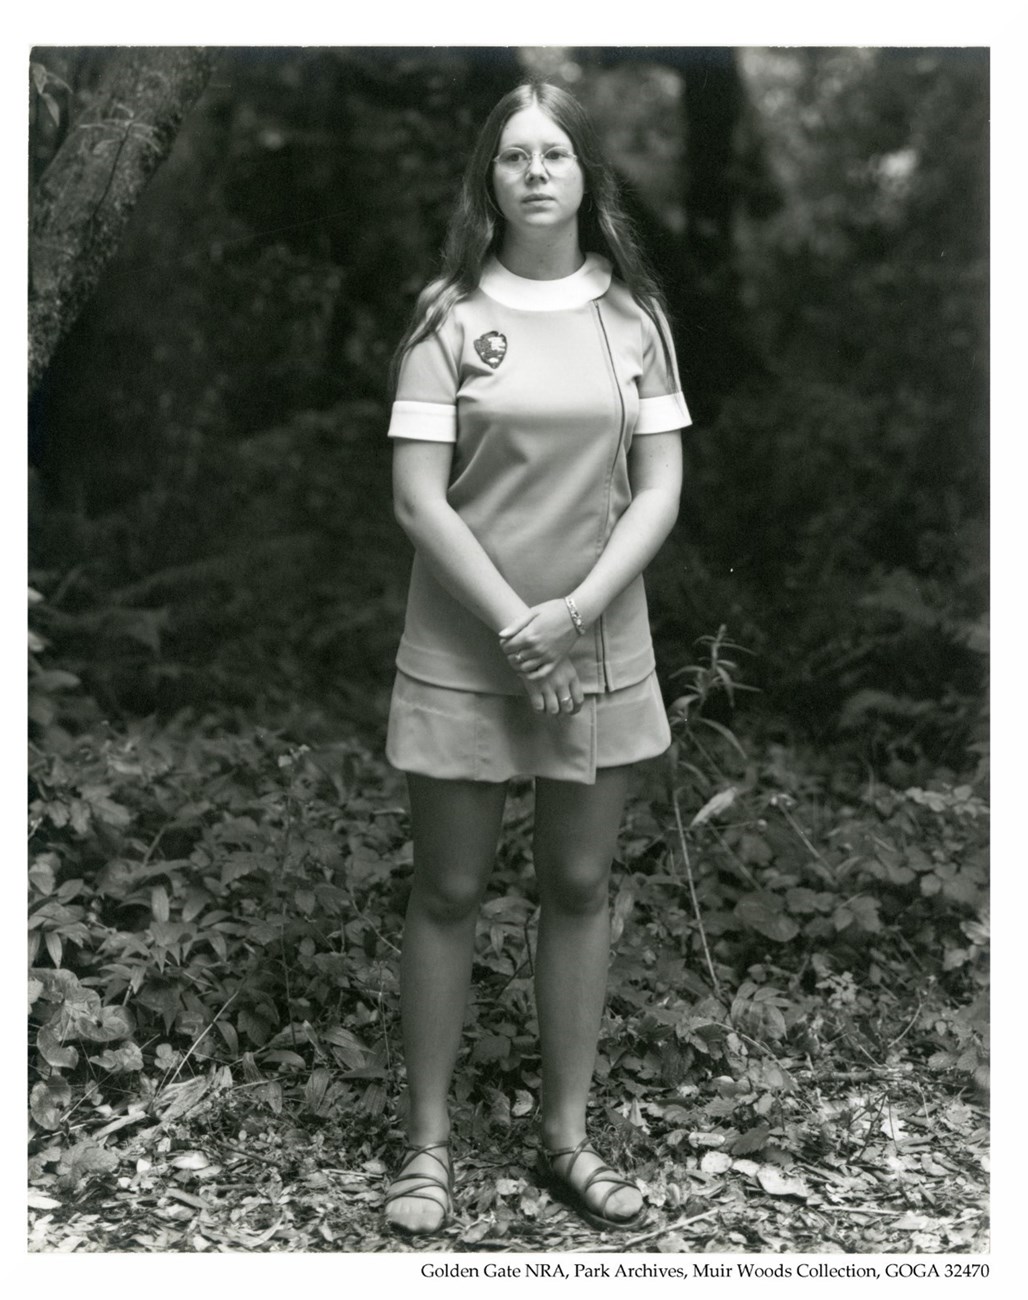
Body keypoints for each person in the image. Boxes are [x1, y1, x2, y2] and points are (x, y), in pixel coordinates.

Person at [382, 79, 690, 1236]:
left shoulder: (637, 318)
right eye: (514, 155)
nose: (536, 171)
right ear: (490, 180)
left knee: (578, 886)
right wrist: (523, 625)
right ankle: (426, 1148)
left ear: (585, 174)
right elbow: (419, 502)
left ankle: (566, 1138)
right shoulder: (444, 317)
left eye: (555, 152)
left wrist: (576, 615)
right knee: (450, 889)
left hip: (599, 645)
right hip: (467, 648)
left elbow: (658, 490)